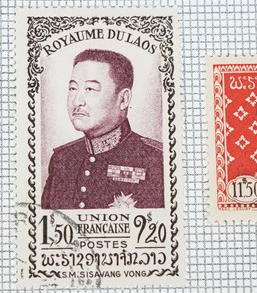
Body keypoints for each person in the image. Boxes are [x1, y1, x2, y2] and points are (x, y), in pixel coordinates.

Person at [41, 49, 165, 210]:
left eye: (90, 89)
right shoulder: (62, 159)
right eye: (73, 88)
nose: (77, 101)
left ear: (123, 99)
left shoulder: (156, 160)